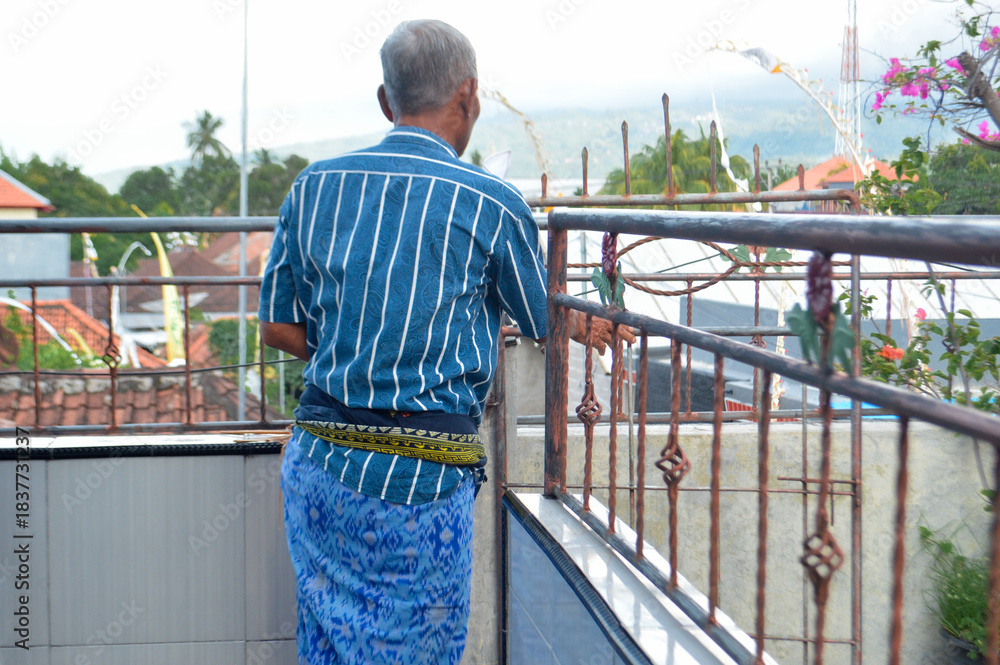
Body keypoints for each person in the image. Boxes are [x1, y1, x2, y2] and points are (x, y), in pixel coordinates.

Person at [259, 19, 624, 665]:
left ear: (384, 101)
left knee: (329, 646)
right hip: (423, 477)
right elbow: (544, 318)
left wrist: (359, 348)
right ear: (470, 97)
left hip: (319, 465)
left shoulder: (312, 187)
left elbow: (277, 327)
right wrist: (592, 321)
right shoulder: (490, 201)